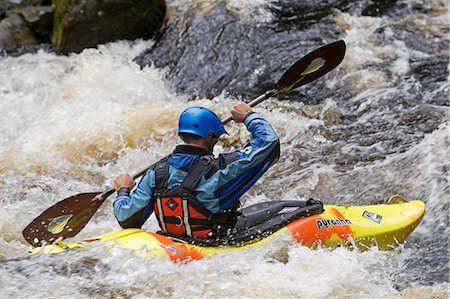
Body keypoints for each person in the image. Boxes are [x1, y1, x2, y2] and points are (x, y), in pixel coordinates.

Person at [113, 102, 280, 239]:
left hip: (172, 244)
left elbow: (126, 218)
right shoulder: (221, 170)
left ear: (182, 136)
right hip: (213, 246)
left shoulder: (156, 172)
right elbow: (269, 142)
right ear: (210, 137)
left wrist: (123, 190)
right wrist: (249, 116)